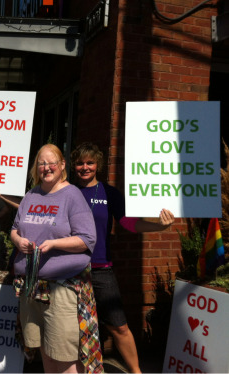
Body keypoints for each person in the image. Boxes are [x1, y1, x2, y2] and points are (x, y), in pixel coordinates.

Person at [70, 142, 175, 373]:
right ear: (73, 165)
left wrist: (160, 226)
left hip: (101, 269)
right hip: (70, 268)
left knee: (119, 326)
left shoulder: (109, 193)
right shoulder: (66, 191)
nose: (84, 167)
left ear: (97, 165)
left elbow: (128, 222)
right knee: (72, 329)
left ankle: (136, 371)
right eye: (80, 163)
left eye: (90, 162)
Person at [10, 144, 102, 373]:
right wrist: (17, 240)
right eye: (41, 163)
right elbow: (14, 228)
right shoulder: (31, 195)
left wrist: (54, 244)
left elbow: (87, 239)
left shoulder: (72, 195)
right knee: (45, 353)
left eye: (52, 163)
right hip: (32, 287)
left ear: (62, 165)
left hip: (61, 289)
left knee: (65, 356)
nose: (46, 167)